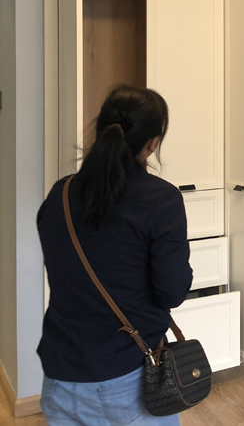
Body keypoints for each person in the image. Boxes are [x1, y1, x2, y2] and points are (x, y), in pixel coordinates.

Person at [37, 85, 193, 425]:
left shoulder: (60, 194)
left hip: (60, 376)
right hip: (129, 381)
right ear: (152, 143)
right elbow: (172, 292)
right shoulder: (160, 200)